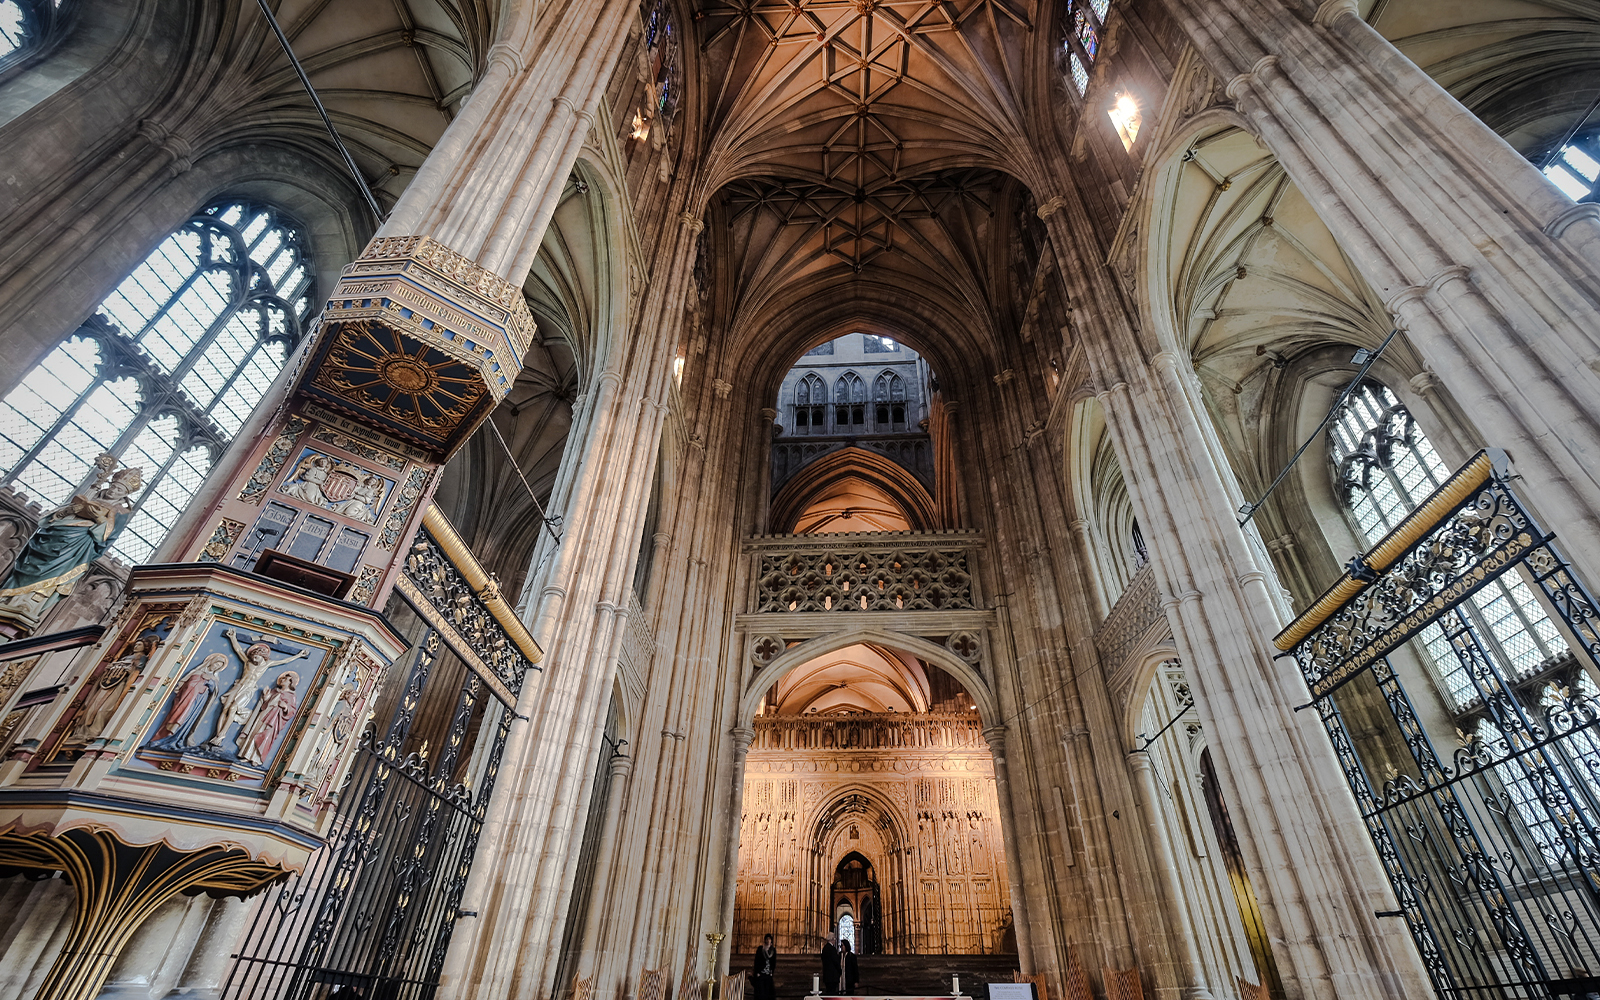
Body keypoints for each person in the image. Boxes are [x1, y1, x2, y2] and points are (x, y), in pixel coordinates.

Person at [237, 670, 299, 766]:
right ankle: (247, 755)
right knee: (255, 733)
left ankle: (256, 758)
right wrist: (266, 697)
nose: (282, 680)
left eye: (285, 679)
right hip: (264, 714)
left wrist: (285, 707)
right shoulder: (275, 691)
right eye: (282, 678)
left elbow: (292, 711)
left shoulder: (291, 696)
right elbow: (266, 703)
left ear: (290, 683)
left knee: (265, 736)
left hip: (274, 720)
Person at [752, 934, 777, 1000]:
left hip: (768, 973)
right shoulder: (761, 949)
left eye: (769, 939)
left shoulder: (773, 950)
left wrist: (772, 971)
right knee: (761, 991)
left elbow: (773, 962)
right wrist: (757, 972)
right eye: (767, 939)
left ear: (771, 941)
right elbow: (757, 960)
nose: (768, 940)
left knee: (769, 991)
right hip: (761, 973)